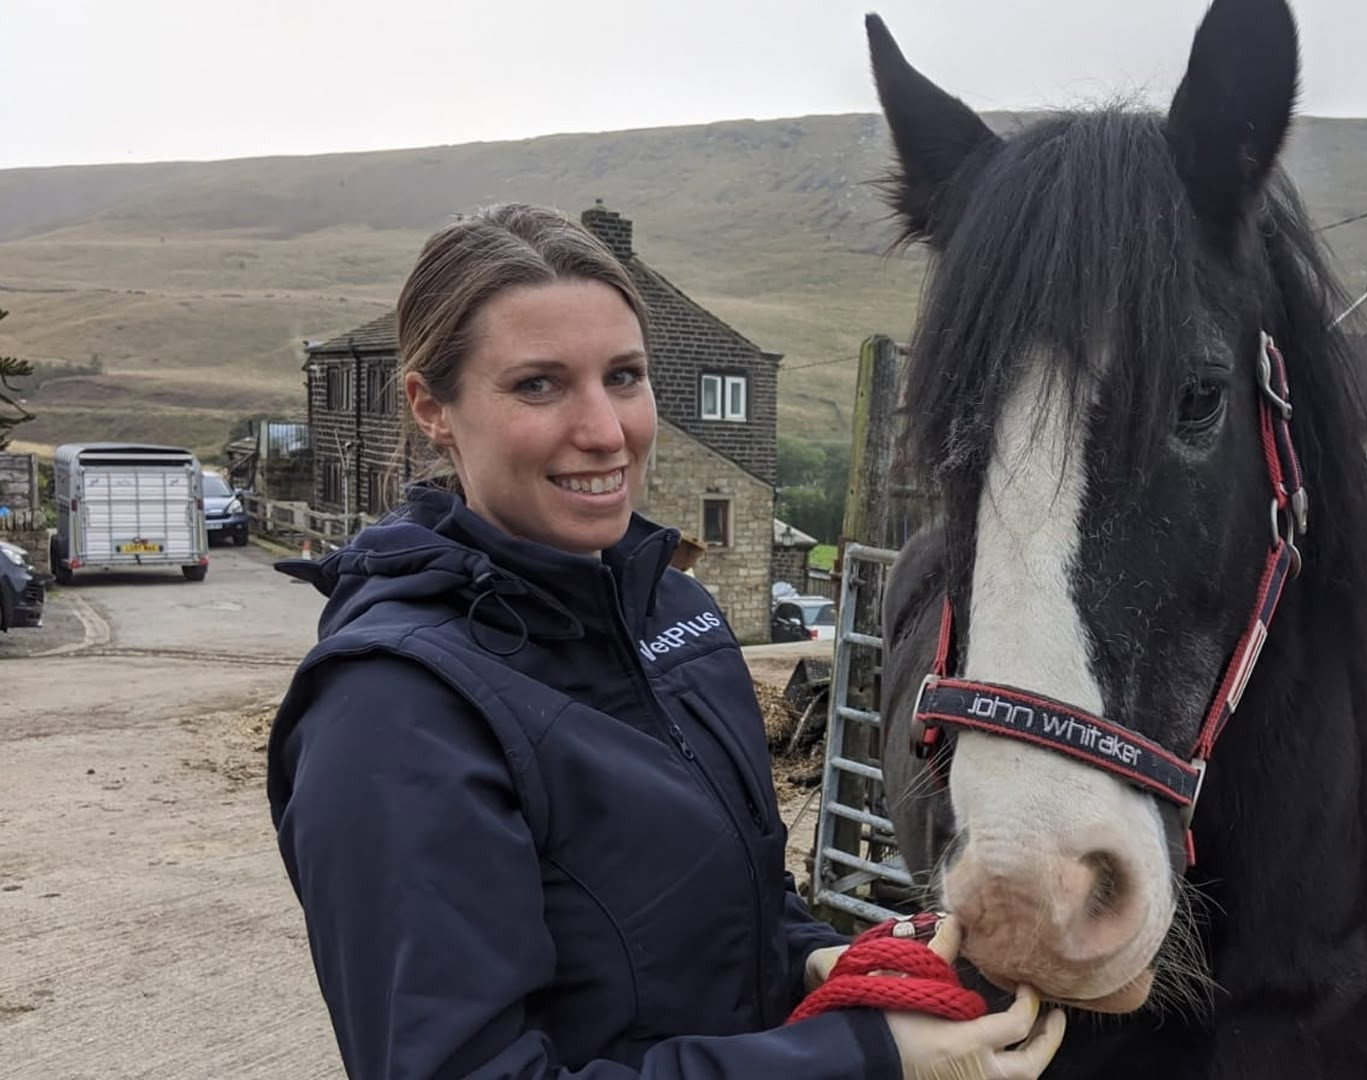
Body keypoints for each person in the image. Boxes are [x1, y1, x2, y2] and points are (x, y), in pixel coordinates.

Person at [265, 203, 1065, 1080]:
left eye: (624, 376)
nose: (606, 431)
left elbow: (734, 907)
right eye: (539, 384)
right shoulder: (394, 712)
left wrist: (814, 956)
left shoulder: (674, 610)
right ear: (433, 407)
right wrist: (861, 1060)